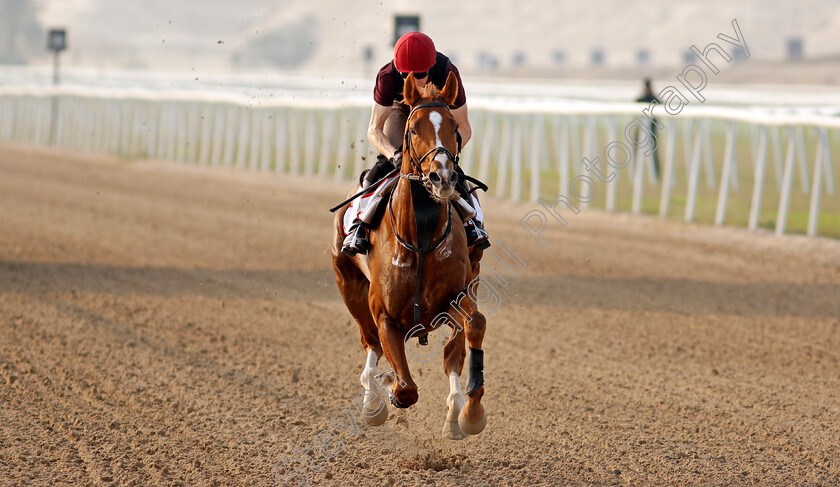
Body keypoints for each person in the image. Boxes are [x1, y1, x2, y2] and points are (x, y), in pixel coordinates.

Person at [341, 31, 490, 256]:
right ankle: (358, 225)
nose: (414, 79)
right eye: (406, 74)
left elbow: (464, 129)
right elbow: (374, 130)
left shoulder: (447, 72)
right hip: (400, 106)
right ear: (398, 70)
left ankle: (473, 223)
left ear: (431, 68)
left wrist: (443, 157)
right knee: (386, 164)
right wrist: (395, 155)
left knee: (449, 169)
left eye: (420, 74)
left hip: (437, 107)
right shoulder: (387, 77)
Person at [636, 78, 661, 178]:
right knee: (638, 149)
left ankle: (655, 173)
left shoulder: (650, 98)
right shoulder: (652, 98)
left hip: (651, 128)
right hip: (642, 126)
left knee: (653, 150)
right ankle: (638, 172)